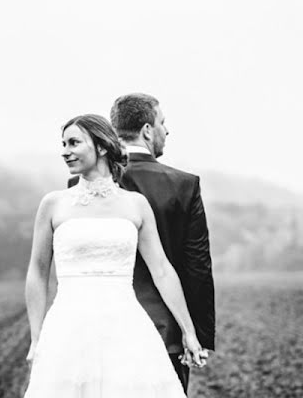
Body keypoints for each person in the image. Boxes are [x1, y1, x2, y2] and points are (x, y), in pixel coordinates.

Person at [24, 114, 206, 397]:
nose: (65, 151)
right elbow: (37, 271)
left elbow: (162, 269)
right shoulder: (53, 204)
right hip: (68, 330)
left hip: (126, 329)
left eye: (74, 143)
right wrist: (37, 338)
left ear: (102, 147)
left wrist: (189, 332)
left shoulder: (136, 204)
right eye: (63, 144)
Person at [106, 93, 216, 392]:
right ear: (146, 130)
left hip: (103, 333)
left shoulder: (82, 187)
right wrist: (196, 336)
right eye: (163, 123)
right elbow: (197, 267)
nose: (167, 131)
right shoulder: (183, 185)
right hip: (166, 332)